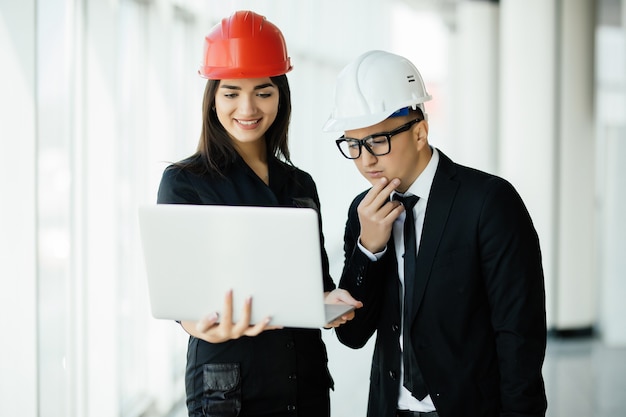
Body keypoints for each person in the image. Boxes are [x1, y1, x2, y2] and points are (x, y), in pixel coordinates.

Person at [156, 10, 361, 417]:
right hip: (229, 388)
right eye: (231, 92)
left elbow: (315, 286)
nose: (247, 107)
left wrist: (330, 302)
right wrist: (200, 325)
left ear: (280, 95)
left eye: (263, 92)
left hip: (302, 382)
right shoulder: (185, 182)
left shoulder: (300, 185)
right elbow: (179, 296)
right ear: (212, 98)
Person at [323, 50, 548, 417]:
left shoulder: (489, 203)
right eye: (353, 144)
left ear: (419, 132)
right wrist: (369, 249)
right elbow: (353, 335)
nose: (365, 160)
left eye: (377, 141)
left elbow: (519, 335)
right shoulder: (362, 212)